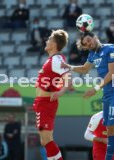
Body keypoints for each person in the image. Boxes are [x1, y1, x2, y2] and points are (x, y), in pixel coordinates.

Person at [62, 32, 114, 160]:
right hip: (107, 93)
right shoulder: (93, 54)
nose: (88, 44)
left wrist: (96, 89)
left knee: (112, 131)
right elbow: (84, 69)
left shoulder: (111, 48)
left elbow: (112, 73)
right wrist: (69, 67)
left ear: (95, 37)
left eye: (88, 40)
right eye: (85, 45)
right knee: (111, 131)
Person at [33, 29, 72, 160]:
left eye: (49, 39)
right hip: (42, 103)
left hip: (46, 103)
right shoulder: (53, 60)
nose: (46, 40)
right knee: (45, 141)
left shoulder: (56, 60)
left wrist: (61, 91)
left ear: (54, 44)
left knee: (47, 140)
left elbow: (68, 78)